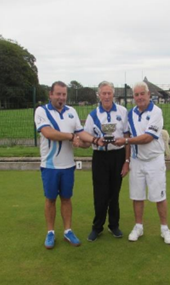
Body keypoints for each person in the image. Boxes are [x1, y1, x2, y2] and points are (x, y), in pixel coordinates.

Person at [34, 81, 104, 249]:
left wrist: (95, 140)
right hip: (50, 165)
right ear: (50, 94)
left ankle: (67, 231)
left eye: (64, 94)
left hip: (67, 165)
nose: (61, 97)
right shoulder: (41, 111)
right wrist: (70, 136)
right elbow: (47, 132)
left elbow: (80, 133)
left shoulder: (71, 112)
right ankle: (50, 232)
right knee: (50, 199)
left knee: (67, 198)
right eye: (58, 94)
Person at [114, 81, 170, 244]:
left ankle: (164, 228)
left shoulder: (156, 112)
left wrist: (126, 140)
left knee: (159, 196)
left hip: (155, 160)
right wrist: (127, 160)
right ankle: (138, 226)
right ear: (133, 97)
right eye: (136, 94)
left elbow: (147, 137)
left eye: (142, 94)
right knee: (137, 196)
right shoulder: (130, 114)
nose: (139, 97)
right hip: (137, 160)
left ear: (148, 95)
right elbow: (127, 136)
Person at [81, 81, 130, 242]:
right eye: (104, 93)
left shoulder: (123, 112)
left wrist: (126, 161)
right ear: (99, 95)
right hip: (100, 158)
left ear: (113, 94)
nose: (107, 96)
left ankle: (114, 225)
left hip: (118, 156)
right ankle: (97, 227)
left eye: (109, 93)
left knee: (114, 194)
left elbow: (127, 138)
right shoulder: (93, 115)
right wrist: (90, 141)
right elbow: (86, 139)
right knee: (100, 194)